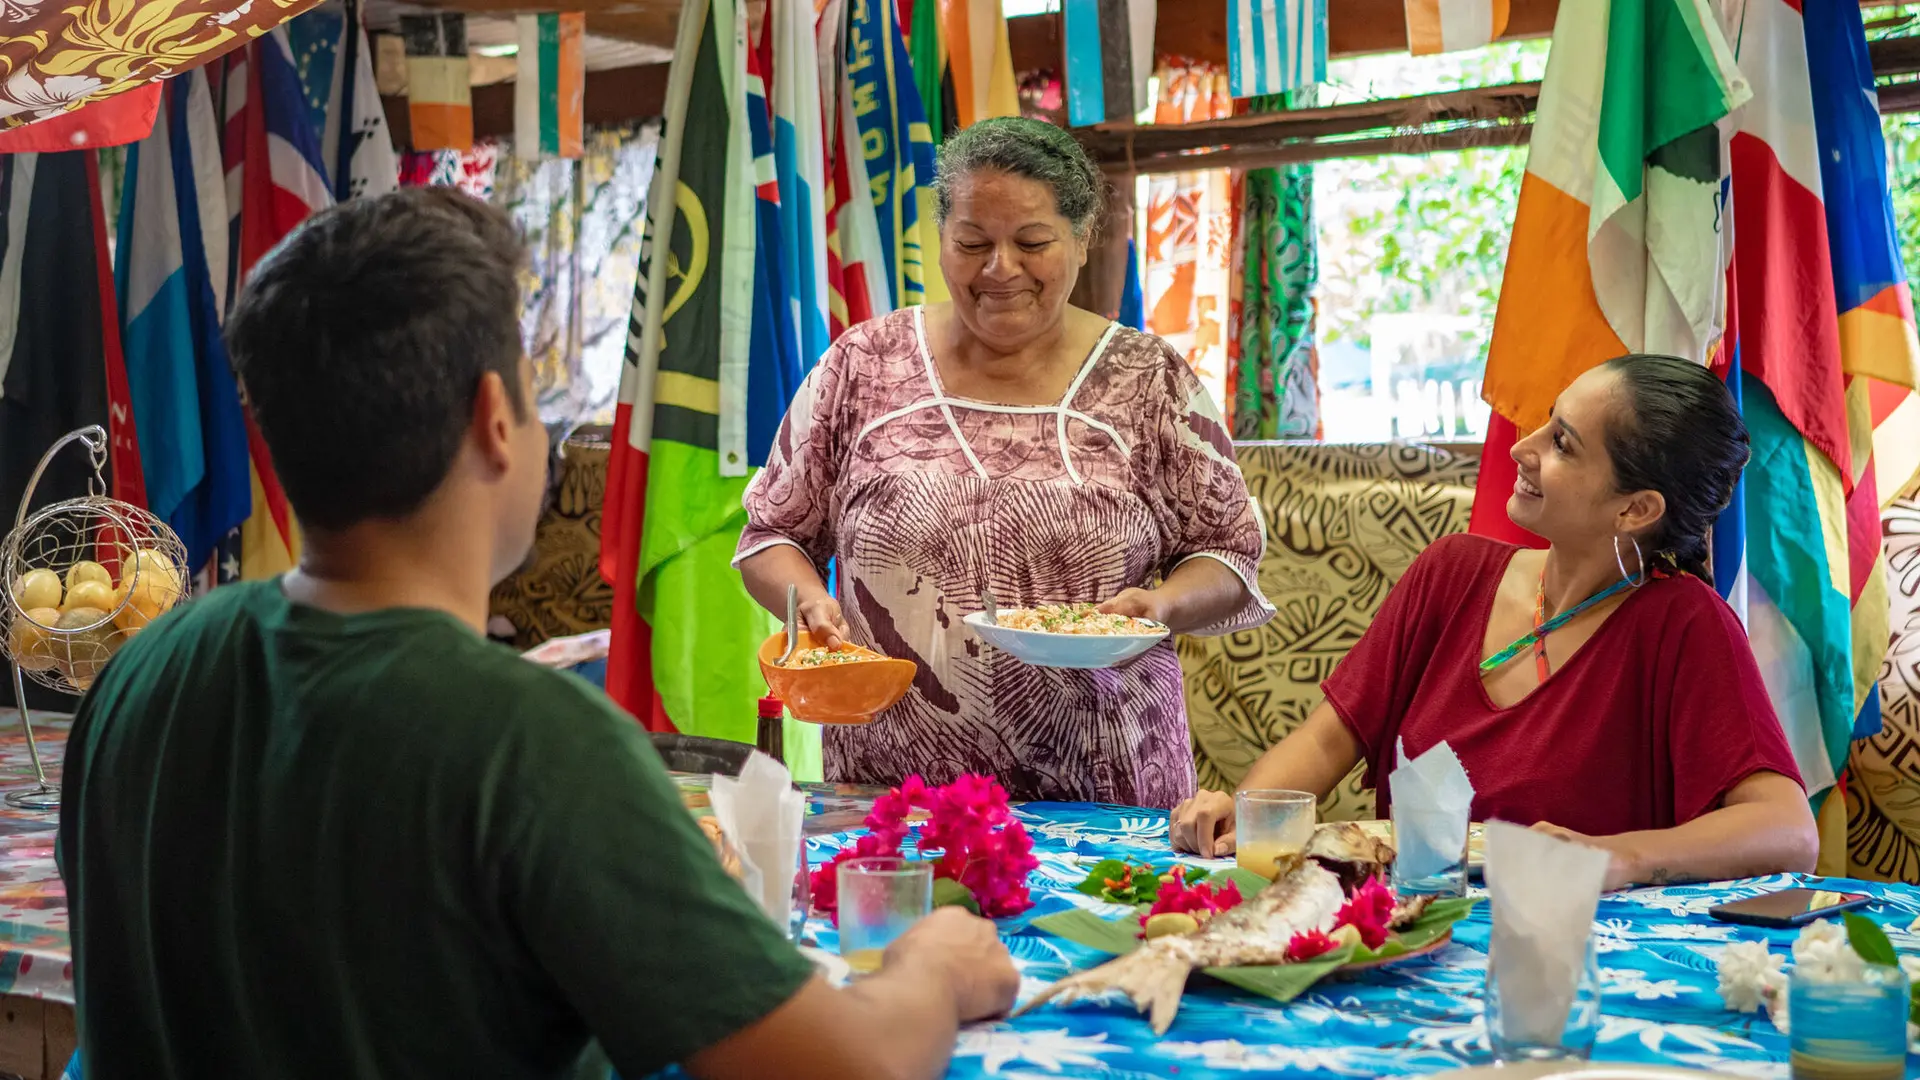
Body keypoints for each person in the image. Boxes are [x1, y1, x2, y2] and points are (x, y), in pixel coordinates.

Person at [56, 188, 1017, 1080]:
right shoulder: (533, 744)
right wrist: (932, 966)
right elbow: (842, 1064)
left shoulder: (139, 677)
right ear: (494, 420)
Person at [734, 117, 1274, 809]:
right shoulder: (864, 363)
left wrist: (1160, 608)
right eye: (971, 243)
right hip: (891, 793)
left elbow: (1228, 555)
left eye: (1032, 242)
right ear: (941, 238)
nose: (1000, 269)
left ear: (1081, 239)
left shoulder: (1150, 380)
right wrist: (808, 601)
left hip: (1107, 798)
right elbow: (770, 534)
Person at [1170, 355, 1819, 890]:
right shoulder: (1450, 574)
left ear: (1635, 509)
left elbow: (1786, 831)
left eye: (1562, 443)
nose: (1522, 447)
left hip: (1565, 954)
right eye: (1545, 422)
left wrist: (1617, 858)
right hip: (1400, 935)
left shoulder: (1684, 624)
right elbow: (1323, 743)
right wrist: (1247, 819)